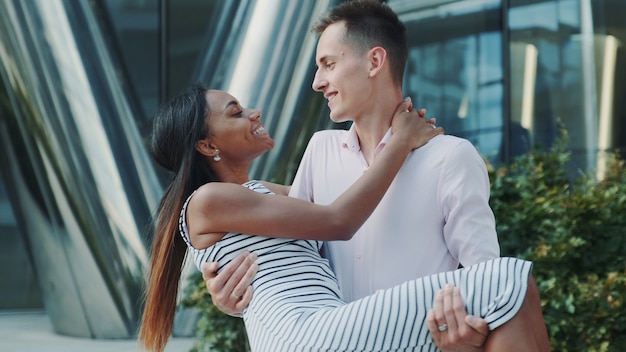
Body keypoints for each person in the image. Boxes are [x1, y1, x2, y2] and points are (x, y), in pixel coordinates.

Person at [201, 1, 541, 350]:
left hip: (419, 343)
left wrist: (471, 331)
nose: (318, 83)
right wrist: (232, 296)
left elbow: (484, 279)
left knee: (507, 281)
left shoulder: (450, 157)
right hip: (330, 342)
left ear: (375, 61)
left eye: (329, 65)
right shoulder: (320, 151)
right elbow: (293, 261)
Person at [138, 85, 548, 352]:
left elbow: (342, 197)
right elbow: (339, 219)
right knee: (505, 281)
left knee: (509, 291)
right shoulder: (207, 200)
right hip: (303, 334)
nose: (254, 113)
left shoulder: (259, 194)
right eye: (236, 112)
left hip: (320, 328)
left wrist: (388, 144)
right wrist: (401, 141)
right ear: (208, 145)